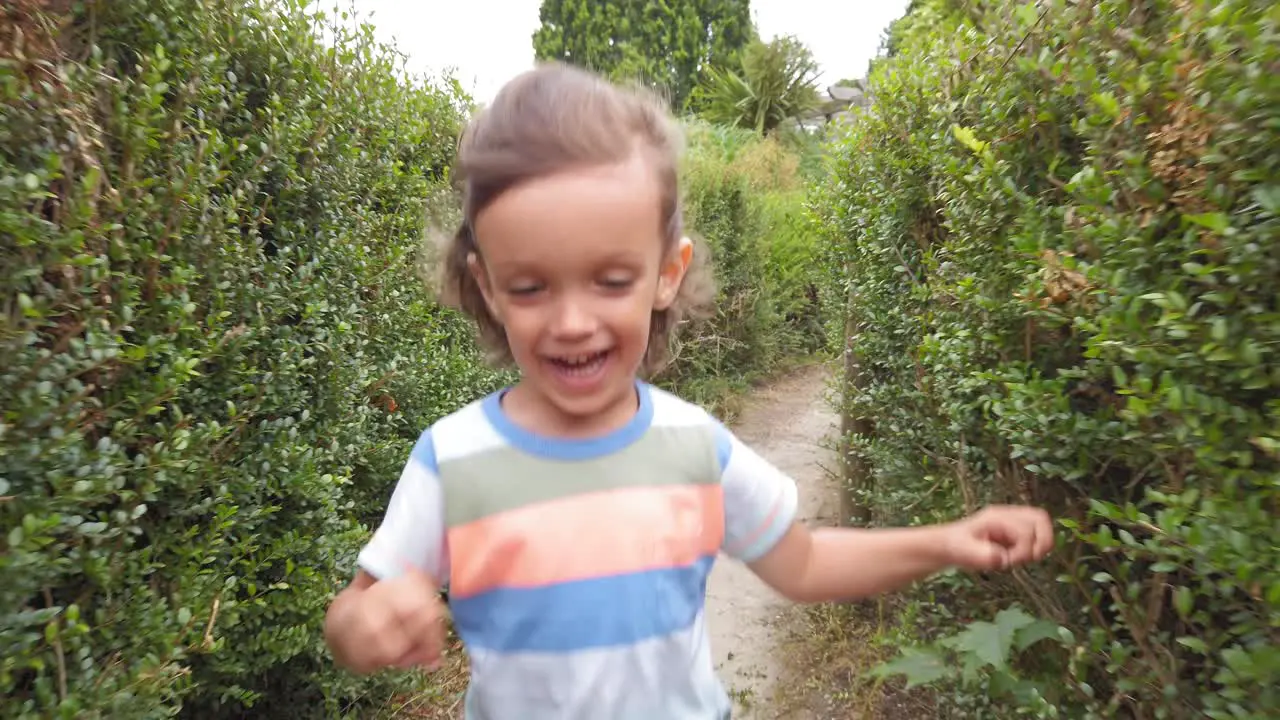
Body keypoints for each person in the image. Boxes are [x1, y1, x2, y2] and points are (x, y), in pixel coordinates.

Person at [322, 62, 1054, 720]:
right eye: (530, 286)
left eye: (612, 280)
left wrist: (946, 541)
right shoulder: (453, 461)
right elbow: (351, 617)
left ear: (667, 272)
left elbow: (802, 565)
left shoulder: (694, 446)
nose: (573, 322)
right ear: (487, 287)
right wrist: (370, 623)